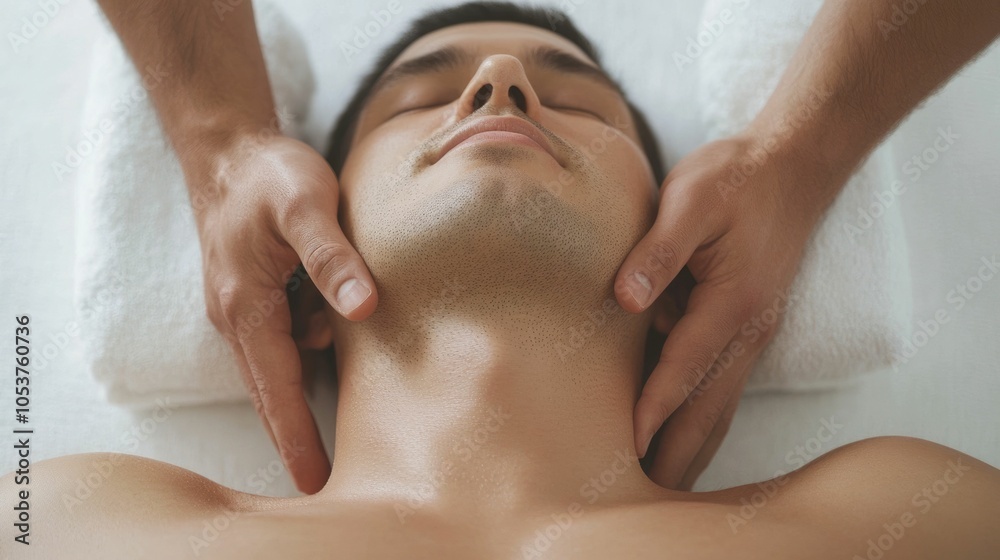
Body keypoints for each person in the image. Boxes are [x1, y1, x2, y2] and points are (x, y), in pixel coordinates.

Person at [6, 5, 1000, 558]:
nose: (501, 86)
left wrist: (797, 157)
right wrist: (222, 143)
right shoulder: (77, 517)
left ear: (678, 277)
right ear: (302, 283)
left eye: (581, 106)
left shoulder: (894, 511)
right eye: (419, 98)